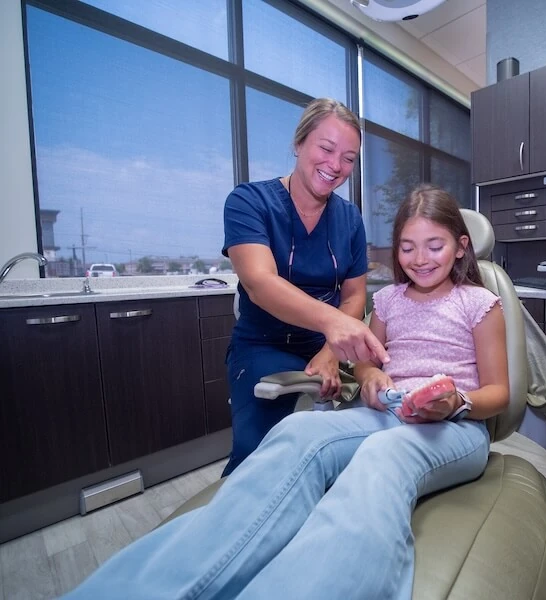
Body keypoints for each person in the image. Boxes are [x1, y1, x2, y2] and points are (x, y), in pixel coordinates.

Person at [64, 184, 509, 600]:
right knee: (298, 433)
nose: (421, 258)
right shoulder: (389, 300)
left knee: (383, 456)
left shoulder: (478, 303)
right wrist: (371, 375)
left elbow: (499, 393)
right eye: (408, 247)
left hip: (455, 425)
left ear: (460, 247)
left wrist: (456, 402)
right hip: (388, 410)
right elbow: (370, 357)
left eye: (435, 246)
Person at [221, 97, 389, 475]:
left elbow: (354, 294)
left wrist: (331, 350)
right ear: (299, 144)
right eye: (326, 148)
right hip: (264, 343)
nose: (336, 166)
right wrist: (333, 324)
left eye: (348, 158)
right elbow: (260, 283)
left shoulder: (349, 218)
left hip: (325, 345)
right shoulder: (249, 201)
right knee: (260, 458)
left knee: (347, 450)